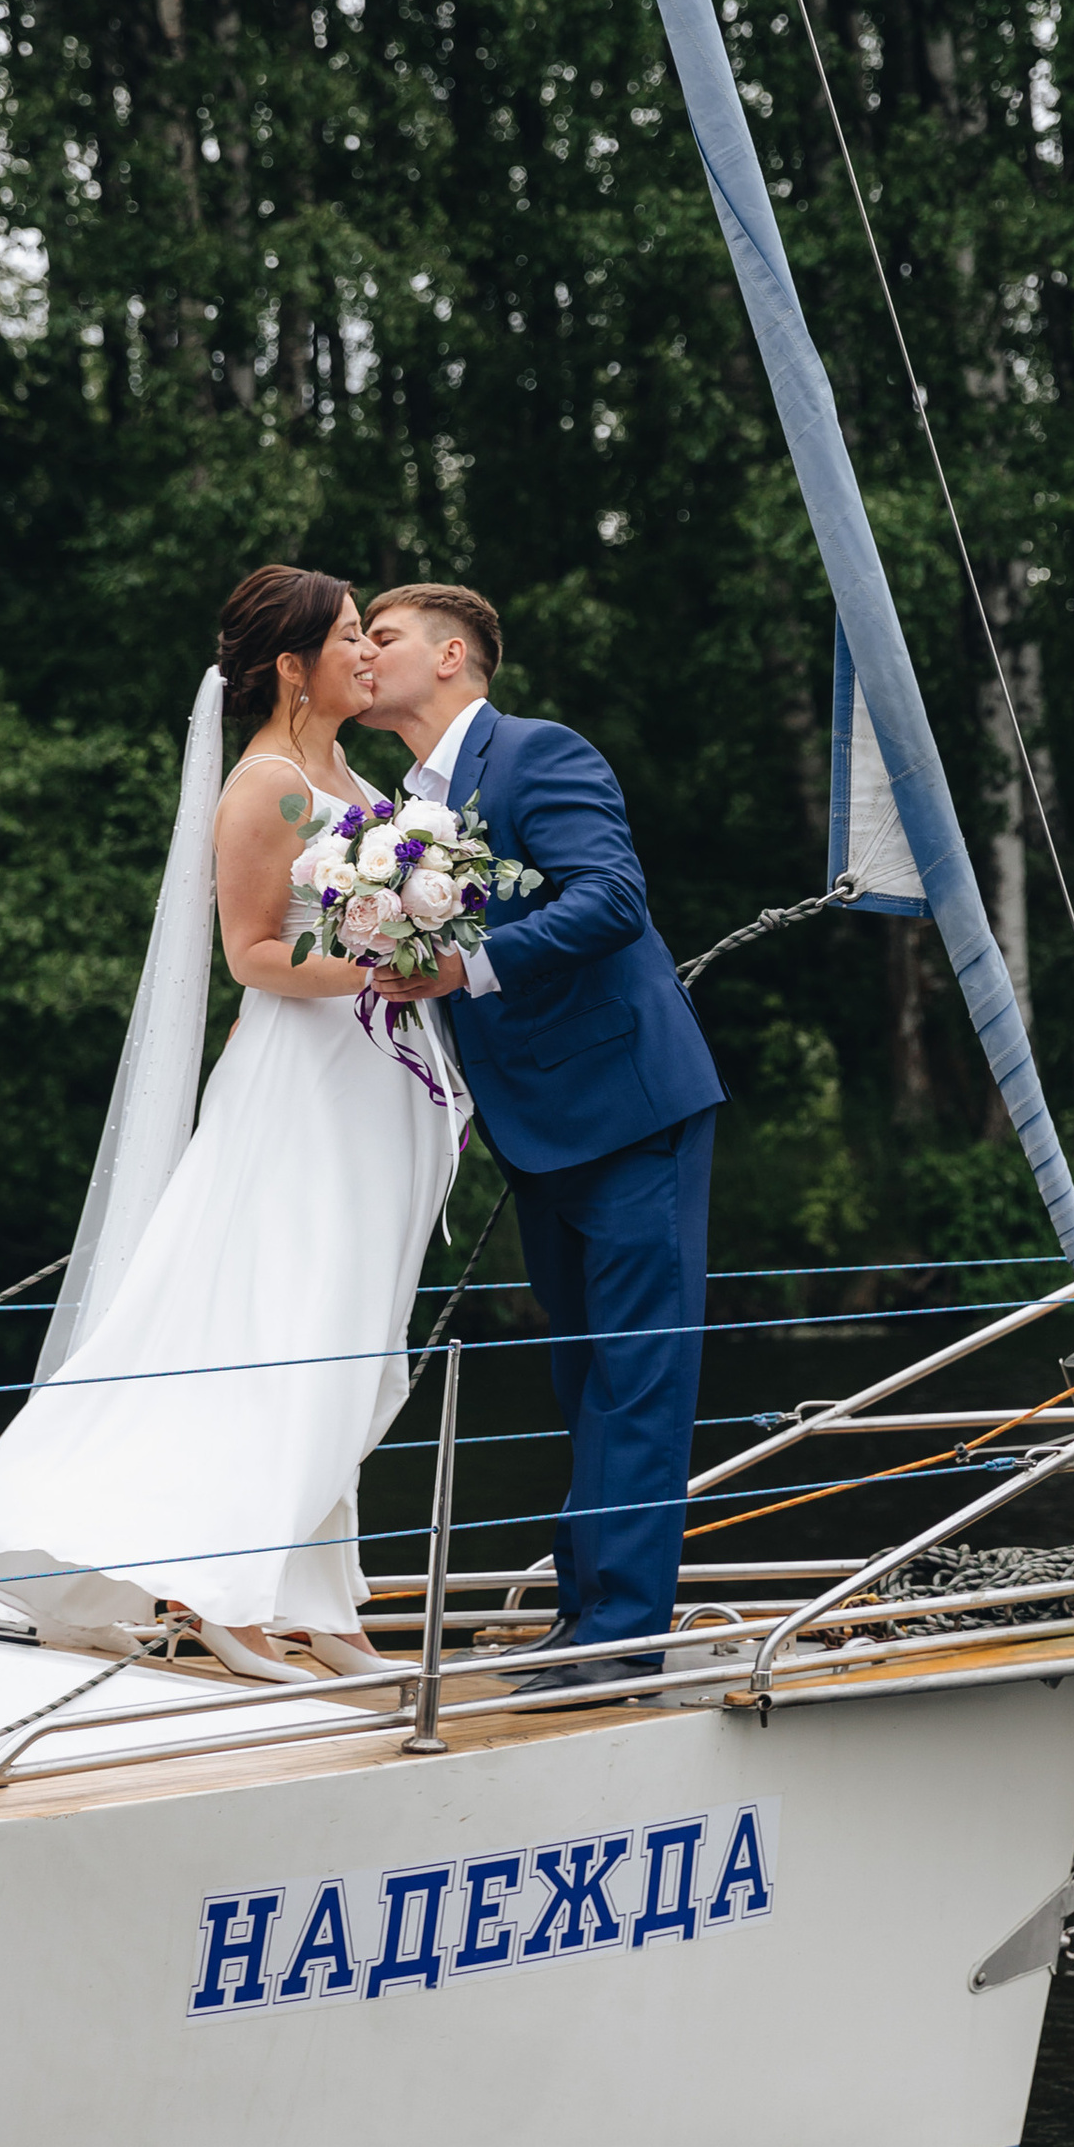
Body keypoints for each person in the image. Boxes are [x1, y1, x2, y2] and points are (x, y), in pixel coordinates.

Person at [0, 567, 467, 1683]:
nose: (369, 654)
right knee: (284, 1332)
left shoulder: (353, 777)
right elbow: (254, 956)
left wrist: (411, 949)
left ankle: (323, 1606)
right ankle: (221, 1591)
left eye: (375, 636)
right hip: (305, 1084)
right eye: (352, 639)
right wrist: (389, 967)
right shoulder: (266, 788)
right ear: (293, 665)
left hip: (372, 1081)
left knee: (346, 1339)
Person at [358, 584, 725, 1692]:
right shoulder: (399, 806)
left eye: (383, 639)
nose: (365, 656)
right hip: (536, 1128)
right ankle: (584, 1622)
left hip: (628, 1109)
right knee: (584, 1383)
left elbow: (612, 897)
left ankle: (619, 1641)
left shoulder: (535, 754)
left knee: (635, 1380)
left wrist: (464, 964)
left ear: (453, 655)